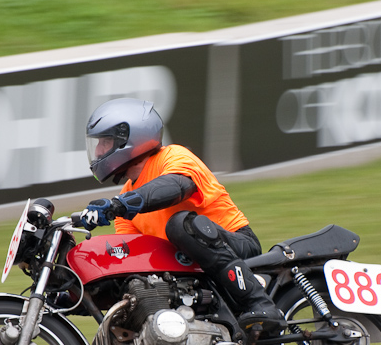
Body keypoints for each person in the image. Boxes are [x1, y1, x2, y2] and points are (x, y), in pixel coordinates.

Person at [80, 97, 284, 331]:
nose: (98, 151)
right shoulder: (126, 196)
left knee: (180, 225)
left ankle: (260, 303)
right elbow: (129, 255)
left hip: (235, 245)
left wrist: (118, 205)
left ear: (130, 138)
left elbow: (175, 187)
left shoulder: (174, 156)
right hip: (186, 266)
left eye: (105, 142)